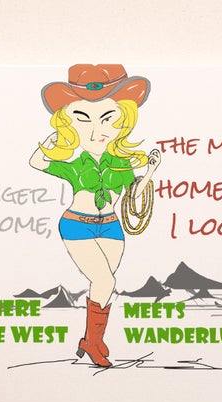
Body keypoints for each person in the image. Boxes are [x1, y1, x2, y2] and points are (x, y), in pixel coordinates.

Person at [29, 64, 161, 366]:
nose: (96, 130)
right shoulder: (76, 164)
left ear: (123, 122)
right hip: (77, 225)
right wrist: (52, 142)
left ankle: (91, 340)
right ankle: (93, 342)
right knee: (105, 282)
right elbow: (37, 163)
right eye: (82, 119)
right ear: (69, 125)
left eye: (107, 119)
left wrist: (150, 170)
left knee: (103, 284)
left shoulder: (121, 164)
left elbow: (134, 195)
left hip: (112, 227)